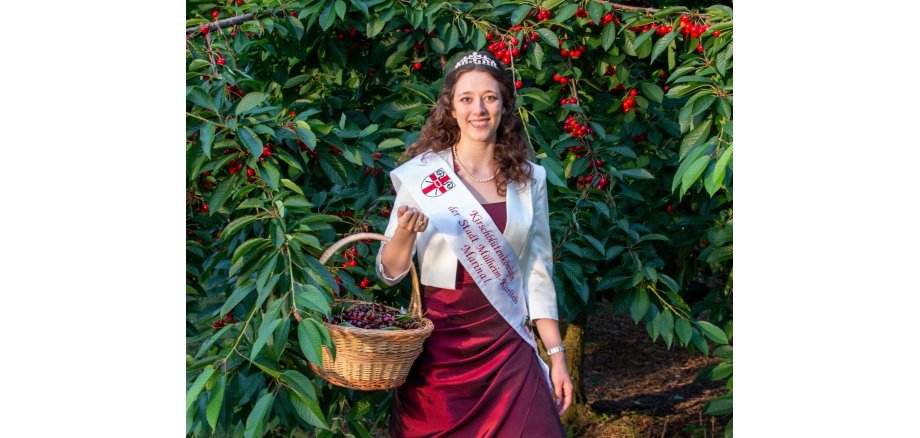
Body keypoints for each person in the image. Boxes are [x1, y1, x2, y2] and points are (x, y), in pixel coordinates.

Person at [375, 50, 573, 437]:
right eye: (466, 98)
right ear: (450, 107)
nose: (478, 109)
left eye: (490, 97)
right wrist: (403, 234)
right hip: (440, 354)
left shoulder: (530, 180)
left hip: (508, 347)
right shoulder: (424, 177)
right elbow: (389, 272)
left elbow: (538, 272)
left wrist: (556, 355)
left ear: (504, 106)